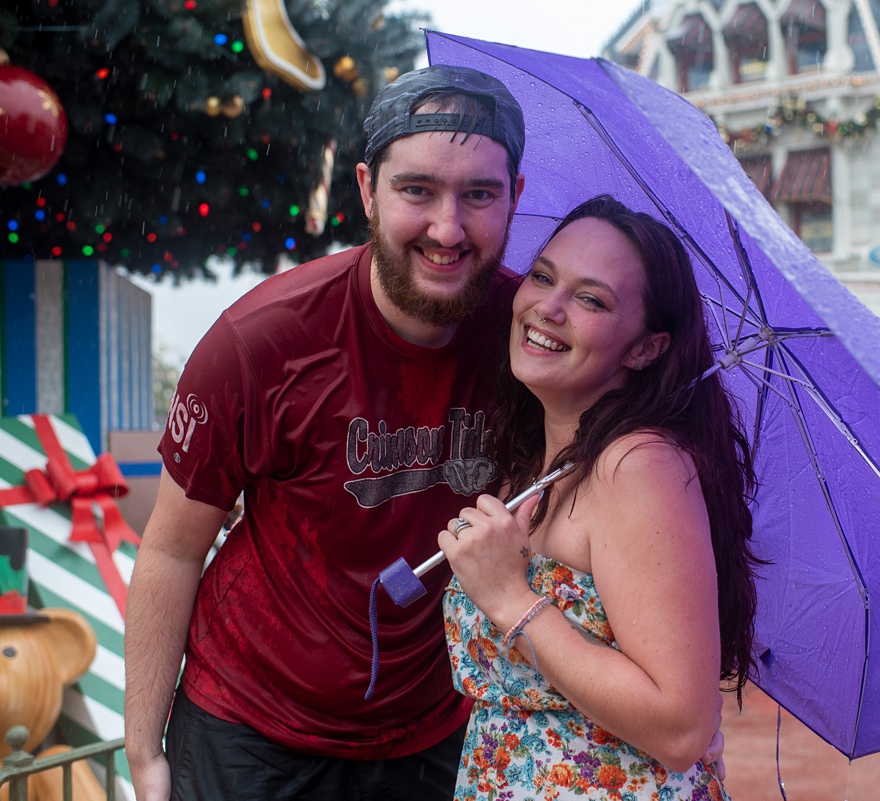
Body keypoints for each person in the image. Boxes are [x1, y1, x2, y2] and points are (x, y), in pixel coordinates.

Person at [123, 65, 530, 801]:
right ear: (368, 190)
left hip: (436, 729)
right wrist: (143, 749)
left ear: (515, 199)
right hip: (249, 727)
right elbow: (174, 546)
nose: (448, 228)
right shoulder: (262, 341)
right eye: (418, 191)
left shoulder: (531, 341)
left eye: (479, 194)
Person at [437, 196, 757, 798]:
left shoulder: (637, 467)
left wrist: (509, 597)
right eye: (542, 276)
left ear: (645, 348)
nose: (547, 308)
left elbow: (682, 726)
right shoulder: (535, 466)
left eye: (591, 299)